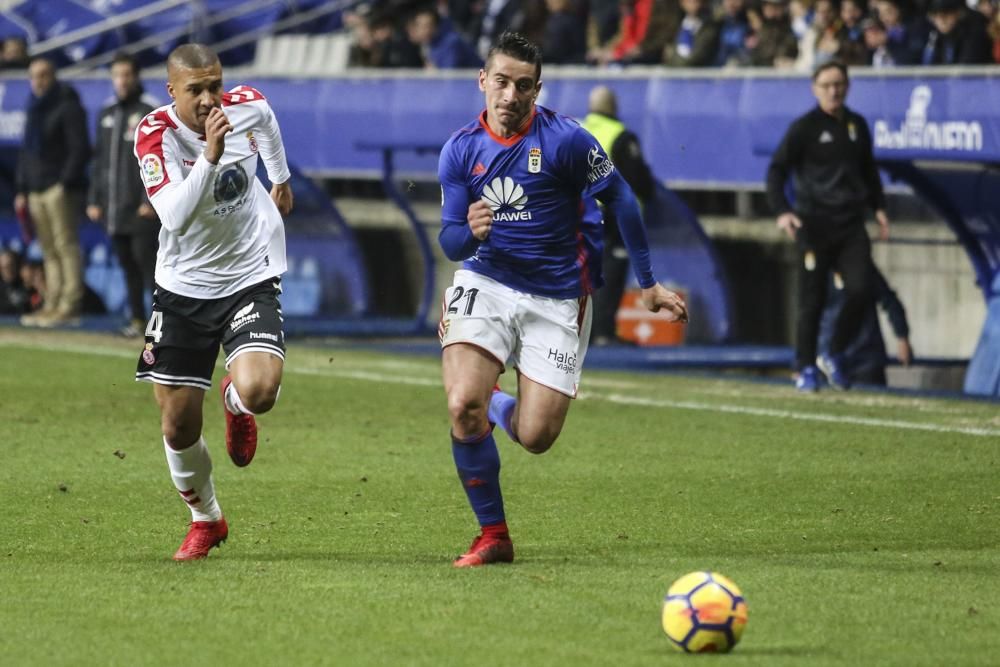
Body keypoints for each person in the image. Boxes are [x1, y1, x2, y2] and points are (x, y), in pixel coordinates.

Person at [437, 32, 687, 567]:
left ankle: (501, 404)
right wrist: (469, 232)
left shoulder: (568, 141)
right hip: (487, 281)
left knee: (536, 435)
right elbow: (450, 240)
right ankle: (493, 535)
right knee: (462, 405)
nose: (509, 96)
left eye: (522, 86)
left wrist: (647, 283)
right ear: (483, 81)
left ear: (537, 89)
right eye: (500, 82)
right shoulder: (460, 150)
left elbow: (621, 198)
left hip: (558, 295)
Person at [133, 44, 294, 561]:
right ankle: (207, 519)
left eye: (214, 86)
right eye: (195, 90)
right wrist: (210, 157)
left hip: (249, 273)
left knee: (261, 390)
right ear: (172, 92)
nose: (208, 100)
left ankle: (236, 401)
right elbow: (174, 216)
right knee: (178, 425)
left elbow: (266, 119)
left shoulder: (244, 105)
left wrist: (281, 179)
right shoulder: (153, 135)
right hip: (183, 288)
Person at [766, 61, 888, 392]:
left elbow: (868, 170)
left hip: (850, 225)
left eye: (839, 84)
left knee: (862, 290)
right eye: (827, 85)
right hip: (814, 224)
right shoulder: (804, 128)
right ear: (814, 88)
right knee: (812, 300)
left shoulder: (857, 125)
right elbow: (776, 171)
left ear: (847, 86)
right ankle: (804, 366)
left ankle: (834, 352)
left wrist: (878, 208)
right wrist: (783, 211)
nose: (834, 91)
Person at [87, 53, 160, 338]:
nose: (122, 80)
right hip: (114, 208)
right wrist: (95, 198)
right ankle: (137, 320)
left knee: (150, 267)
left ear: (136, 76)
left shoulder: (149, 110)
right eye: (117, 74)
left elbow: (157, 157)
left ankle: (160, 325)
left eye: (127, 74)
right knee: (127, 264)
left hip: (140, 208)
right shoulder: (107, 113)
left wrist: (150, 198)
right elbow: (100, 160)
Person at [15, 56, 91, 328]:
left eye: (44, 75)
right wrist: (22, 188)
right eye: (34, 76)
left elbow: (79, 148)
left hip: (58, 188)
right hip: (35, 189)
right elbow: (26, 152)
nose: (39, 81)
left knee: (65, 246)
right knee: (48, 249)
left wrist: (64, 182)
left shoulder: (68, 105)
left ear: (53, 76)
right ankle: (51, 302)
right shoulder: (33, 108)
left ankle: (69, 304)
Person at [581, 85, 657, 346]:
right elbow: (638, 181)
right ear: (613, 106)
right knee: (611, 273)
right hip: (611, 218)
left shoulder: (577, 129)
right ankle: (602, 330)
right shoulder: (620, 137)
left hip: (575, 214)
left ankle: (582, 331)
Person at [818, 263, 912, 386]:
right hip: (829, 359)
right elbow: (808, 313)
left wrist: (902, 336)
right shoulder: (820, 269)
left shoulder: (863, 268)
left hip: (865, 358)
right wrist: (803, 361)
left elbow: (889, 301)